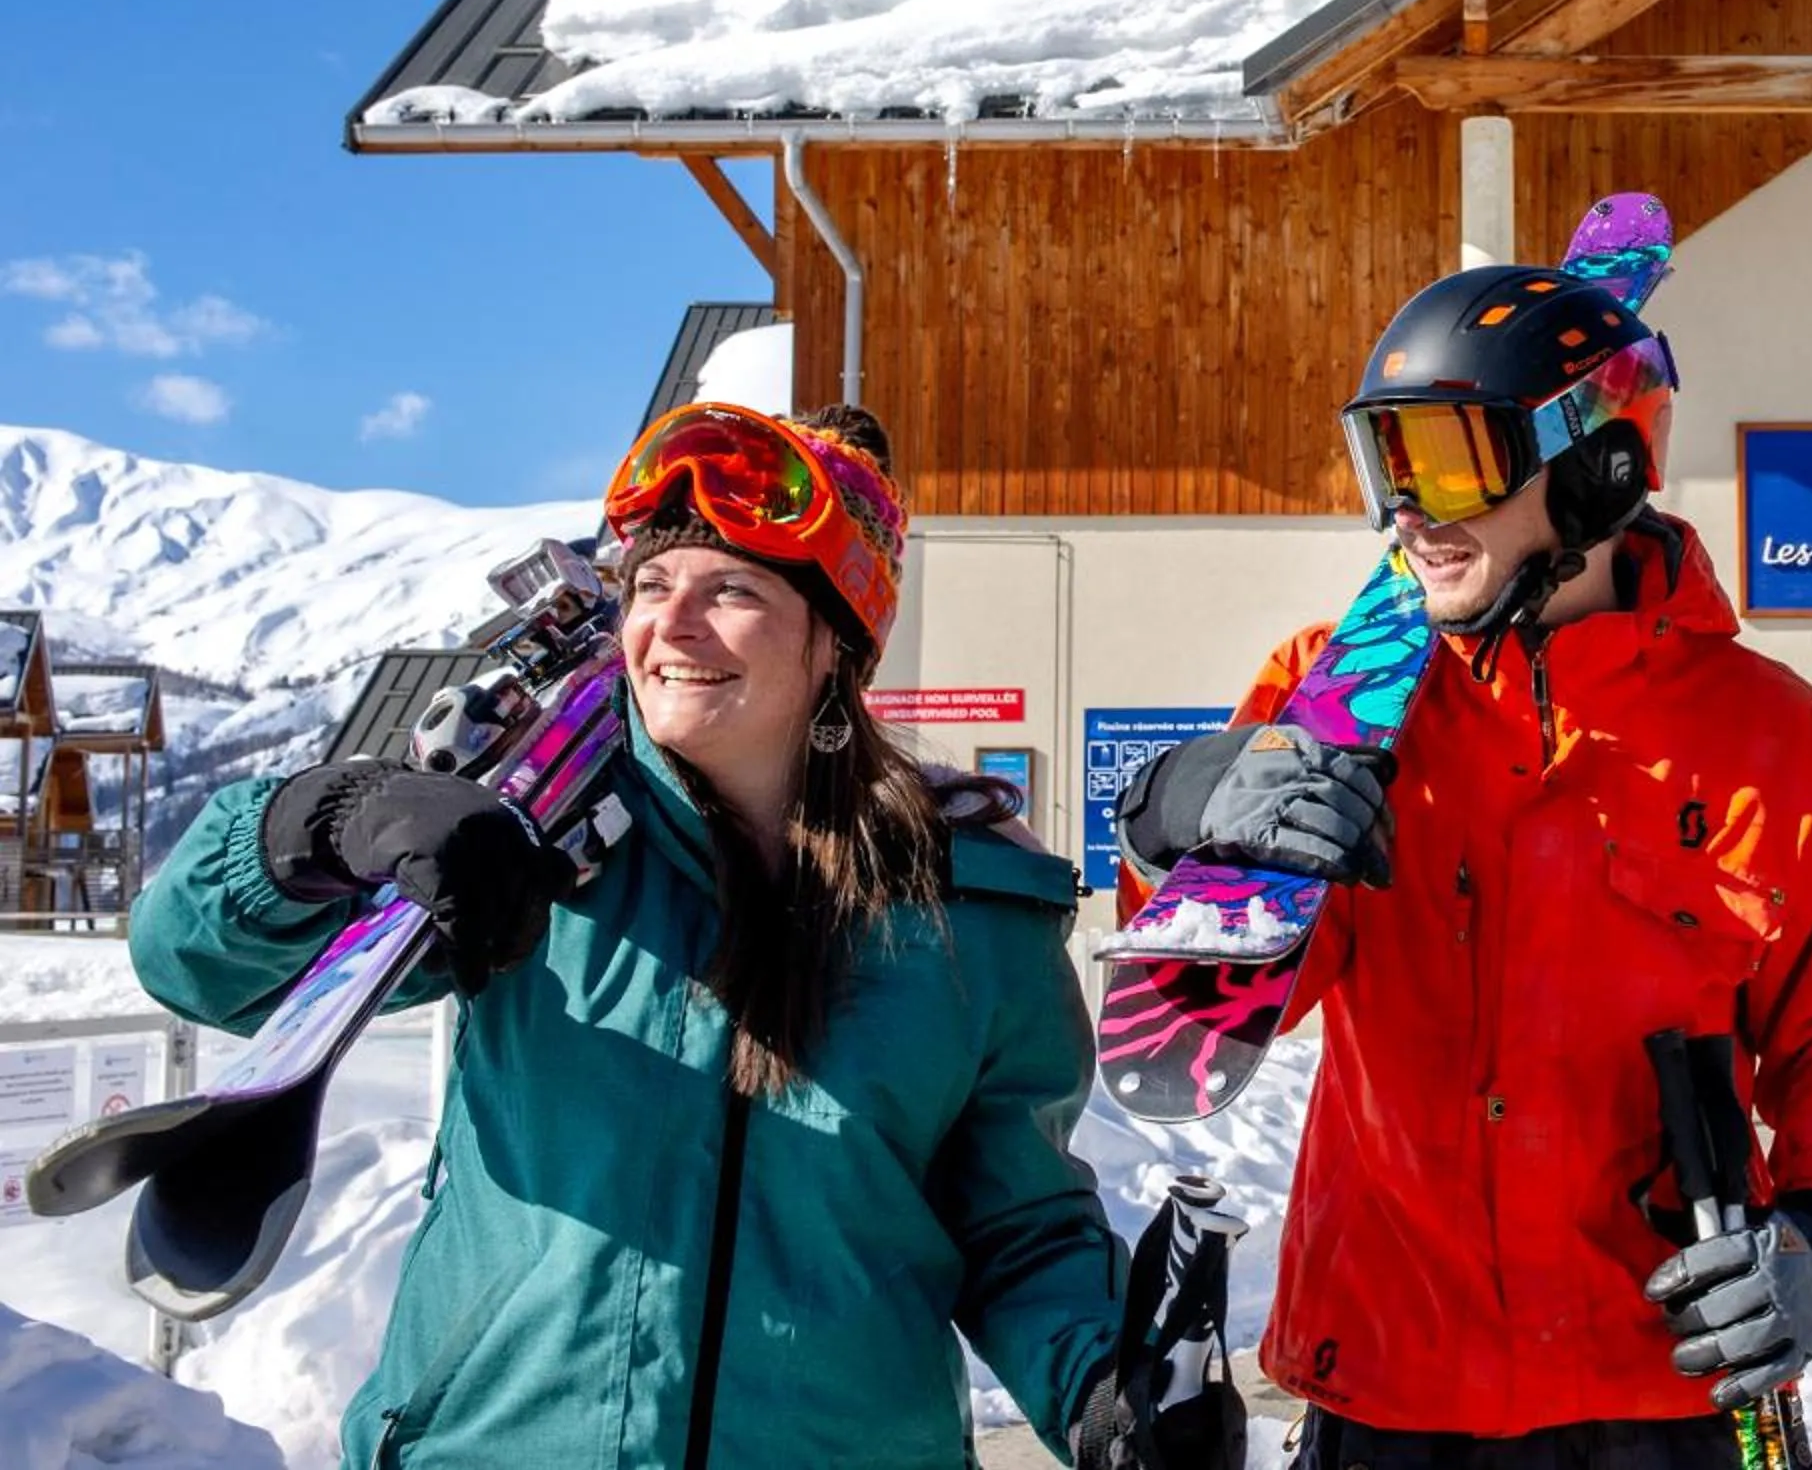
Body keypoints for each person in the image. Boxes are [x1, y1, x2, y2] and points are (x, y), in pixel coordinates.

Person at [132, 403, 1163, 1469]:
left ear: (835, 646)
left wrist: (1102, 1382)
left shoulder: (970, 914)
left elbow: (1017, 1227)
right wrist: (321, 827)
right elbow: (193, 964)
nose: (672, 627)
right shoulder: (530, 839)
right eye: (652, 586)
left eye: (733, 590)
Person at [1117, 266, 1812, 1469]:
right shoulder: (1341, 696)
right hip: (1394, 1389)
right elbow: (1235, 1002)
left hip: (1665, 1386)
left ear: (1600, 468)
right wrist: (1176, 818)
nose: (1407, 511)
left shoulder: (1768, 737)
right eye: (1384, 463)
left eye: (1447, 462)